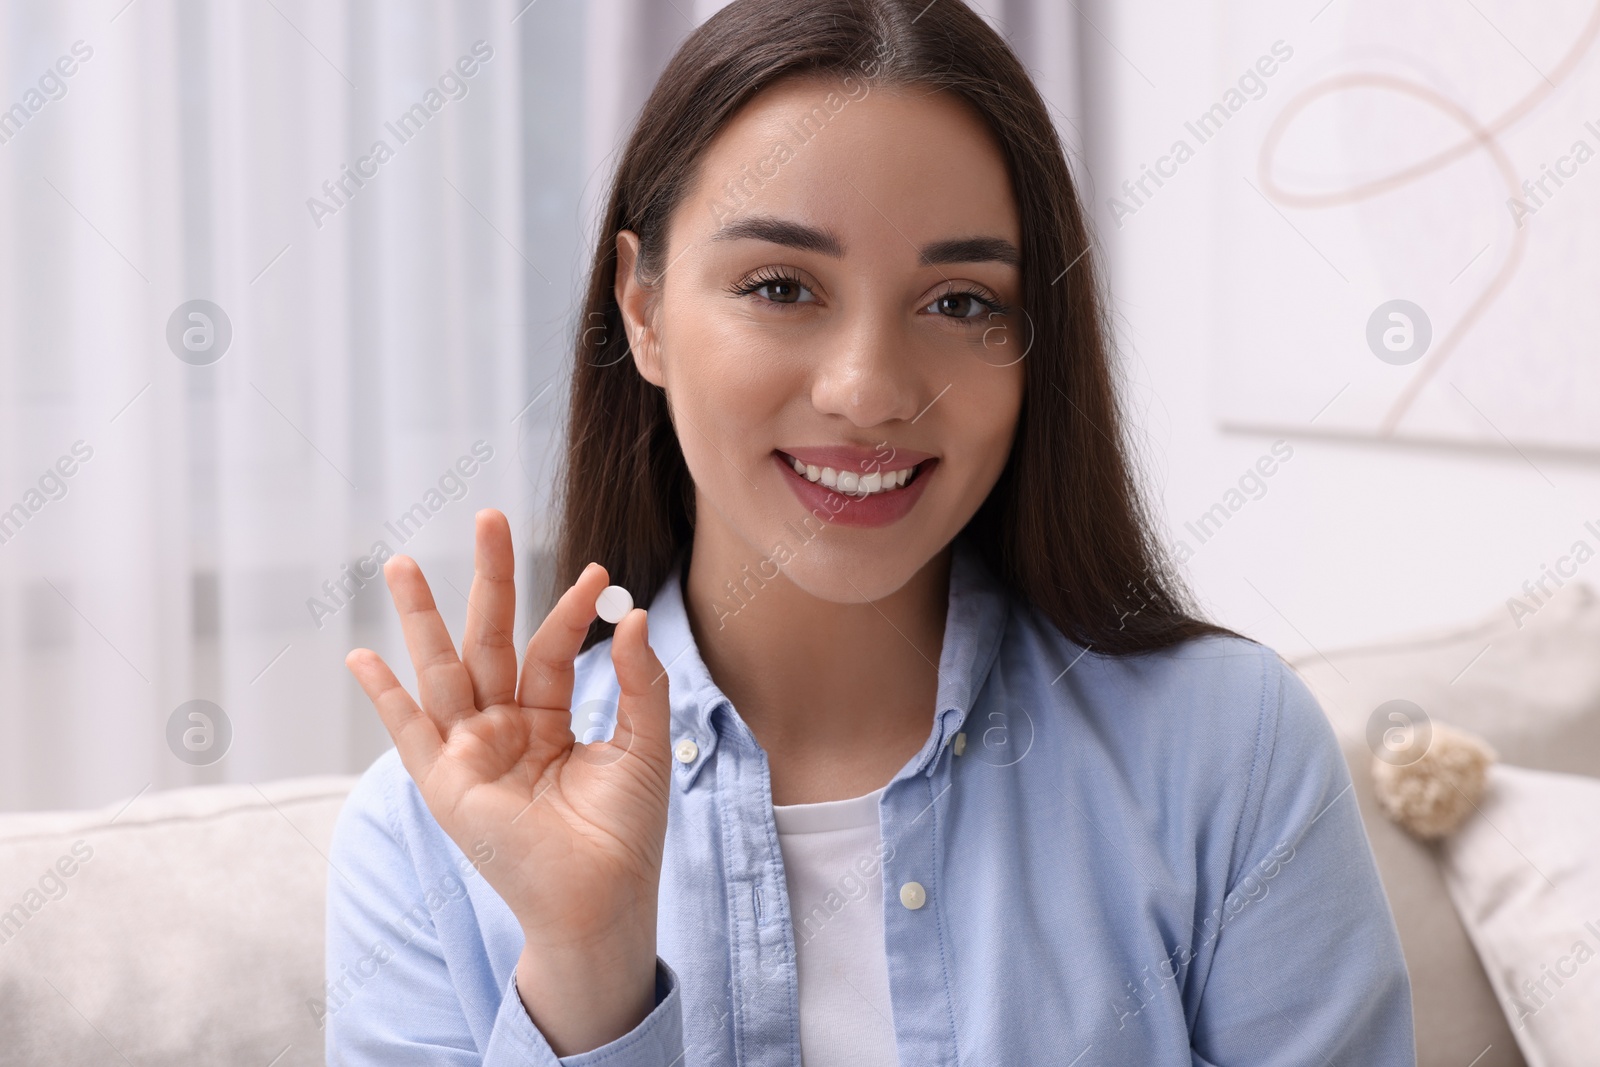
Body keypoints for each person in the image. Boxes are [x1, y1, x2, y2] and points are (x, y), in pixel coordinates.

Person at [325, 0, 1416, 1063]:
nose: (869, 390)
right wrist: (589, 965)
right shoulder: (426, 839)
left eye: (959, 302)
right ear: (643, 307)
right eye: (780, 285)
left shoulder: (1230, 750)